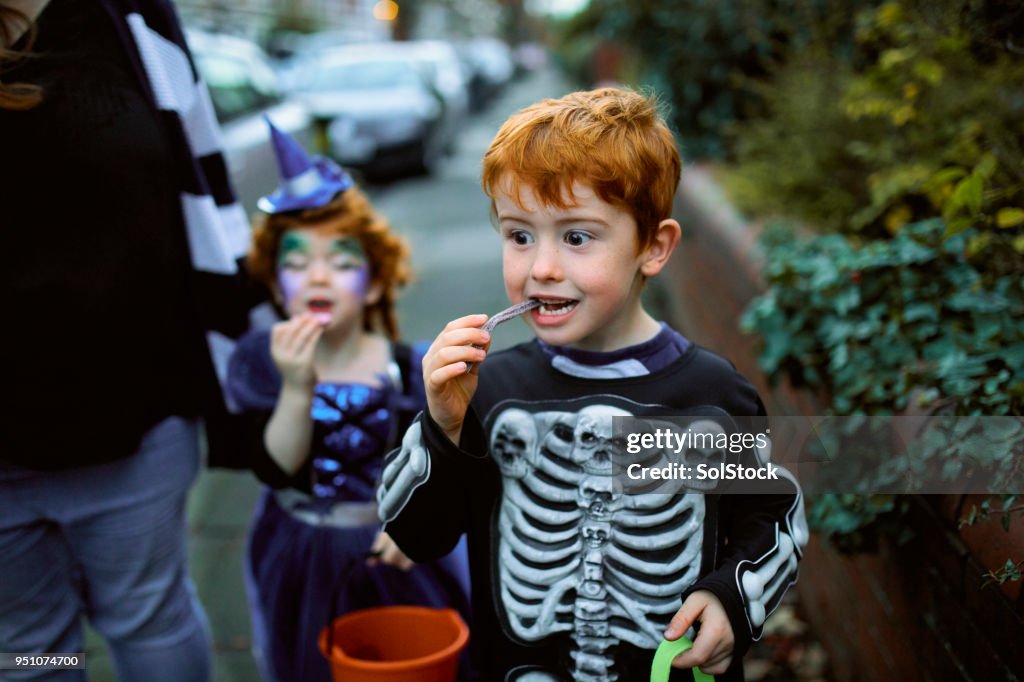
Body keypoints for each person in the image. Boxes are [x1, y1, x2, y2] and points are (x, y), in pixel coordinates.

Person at [376, 87, 809, 681]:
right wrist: (442, 425)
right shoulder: (491, 393)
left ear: (653, 247)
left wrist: (731, 600)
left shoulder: (710, 399)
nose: (542, 267)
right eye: (519, 235)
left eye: (577, 237)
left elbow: (771, 515)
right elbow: (417, 535)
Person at [1, 1, 260, 680]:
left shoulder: (133, 14)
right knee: (31, 649)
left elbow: (202, 182)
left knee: (149, 619)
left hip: (138, 416)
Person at [225, 121, 472, 682]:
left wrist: (414, 520)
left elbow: (435, 464)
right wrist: (296, 385)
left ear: (377, 283)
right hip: (302, 552)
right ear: (273, 283)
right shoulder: (260, 361)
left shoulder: (408, 369)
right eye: (295, 263)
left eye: (340, 262)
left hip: (392, 550)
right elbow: (275, 467)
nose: (317, 276)